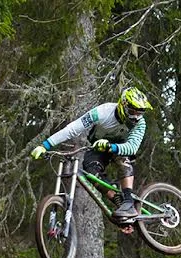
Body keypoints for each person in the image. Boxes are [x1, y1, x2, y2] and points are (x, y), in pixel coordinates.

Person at [30, 87, 152, 220]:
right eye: (132, 112)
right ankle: (119, 203)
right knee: (91, 171)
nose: (136, 117)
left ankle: (128, 202)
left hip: (121, 147)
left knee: (123, 159)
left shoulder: (140, 123)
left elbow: (132, 148)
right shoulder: (101, 112)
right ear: (123, 105)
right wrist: (45, 145)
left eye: (140, 113)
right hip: (98, 147)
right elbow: (72, 129)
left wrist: (111, 146)